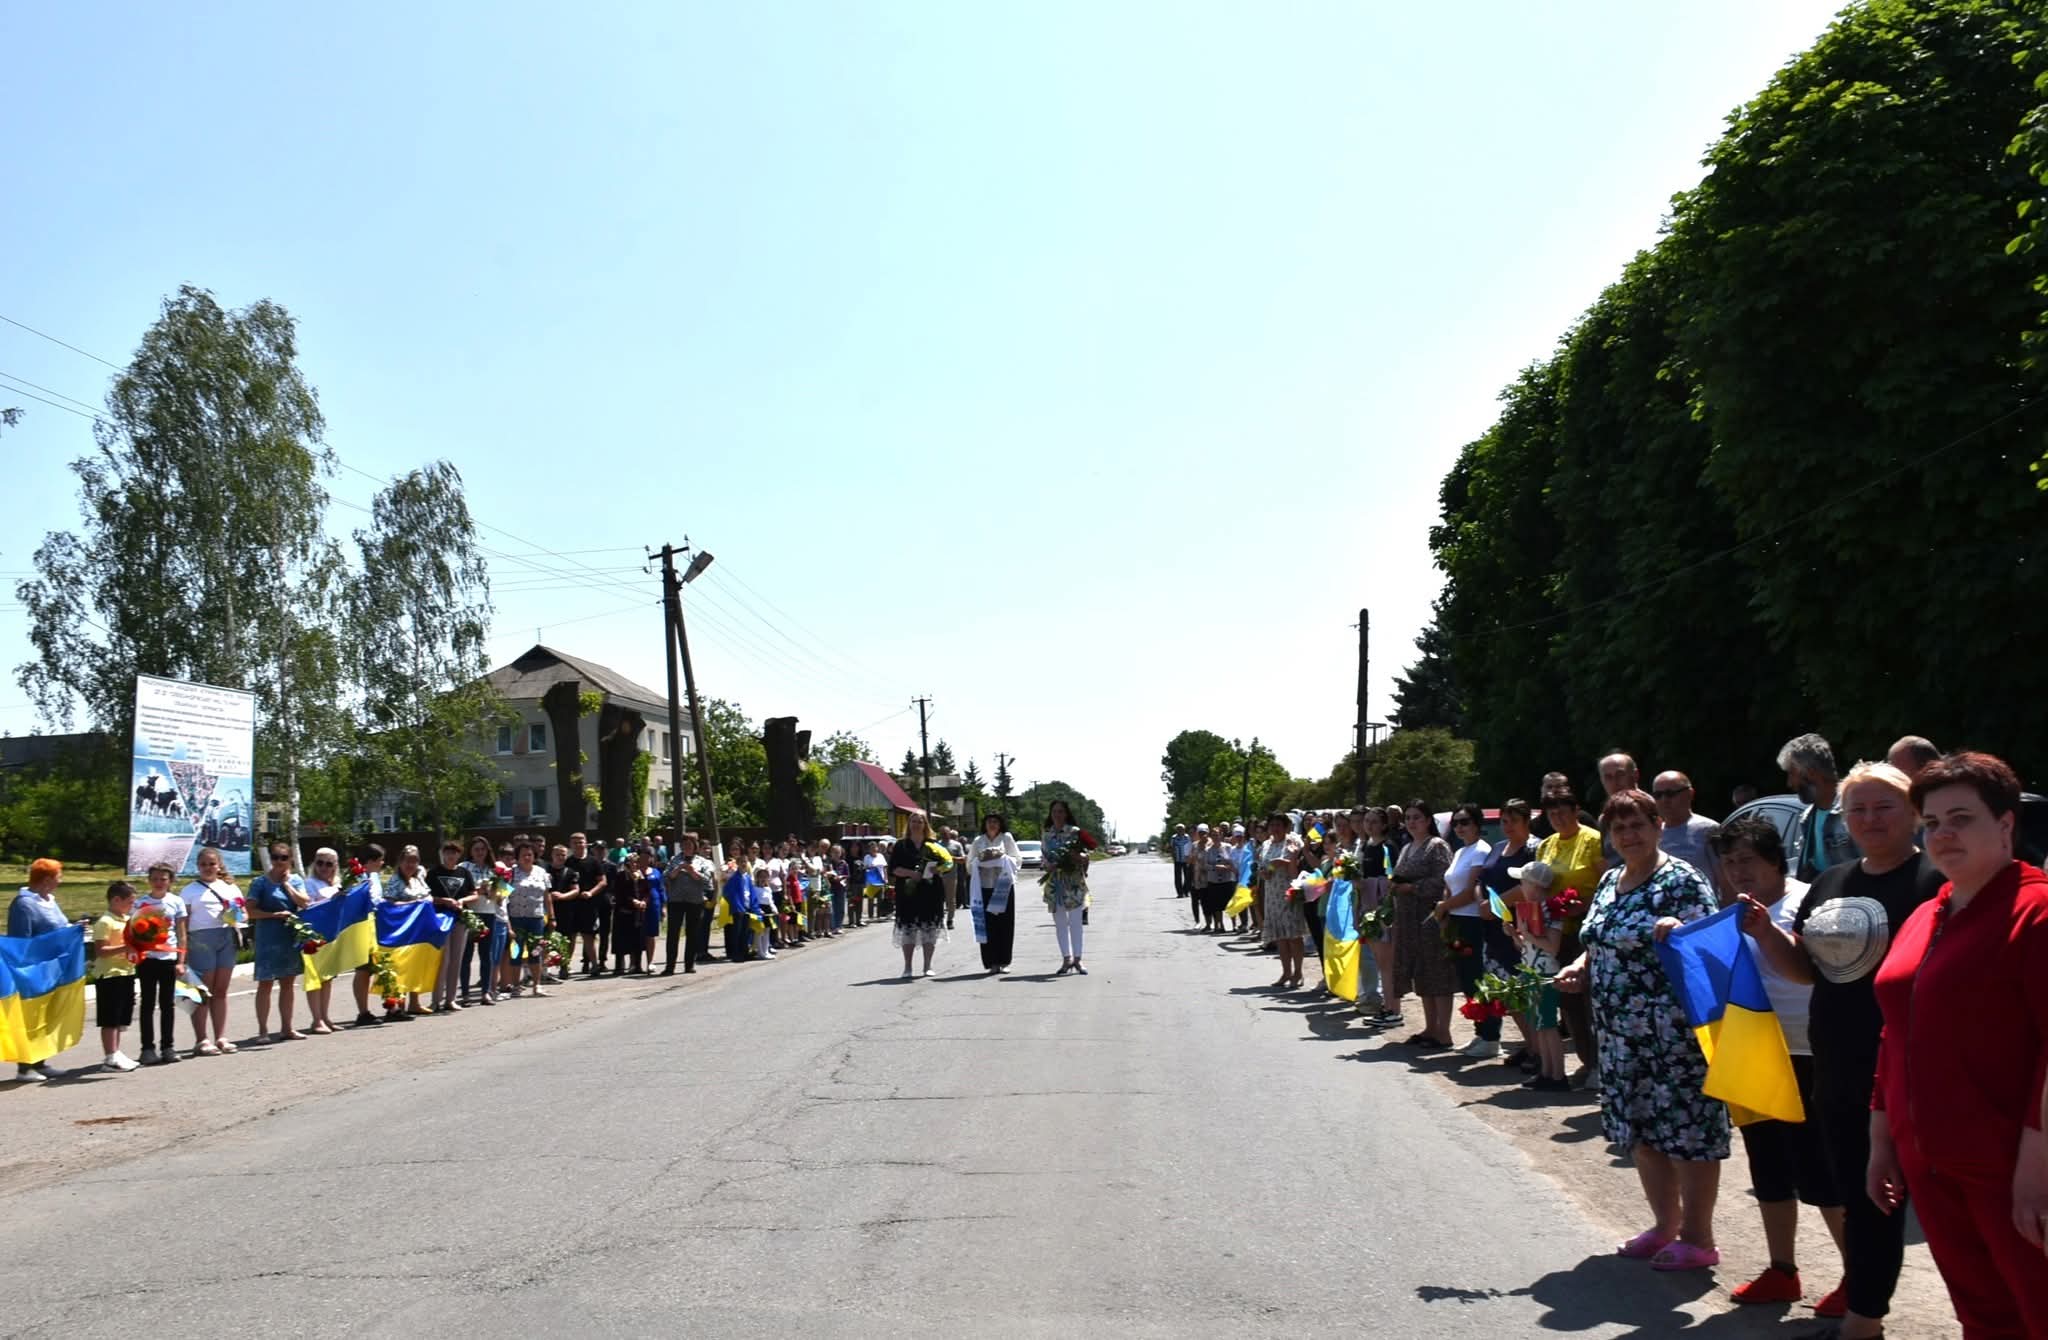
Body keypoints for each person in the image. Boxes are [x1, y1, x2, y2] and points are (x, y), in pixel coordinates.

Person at [1743, 760, 1940, 1340]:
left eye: (1883, 806)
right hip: (1838, 1066)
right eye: (1858, 808)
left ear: (1911, 813)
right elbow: (1808, 971)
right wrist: (1766, 934)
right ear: (1844, 819)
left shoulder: (1934, 881)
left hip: (1909, 1071)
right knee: (1862, 1197)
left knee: (1935, 1203)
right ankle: (1864, 1317)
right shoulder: (1832, 882)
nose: (1870, 818)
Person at [1869, 752, 2048, 1337]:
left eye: (1962, 818)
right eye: (1932, 823)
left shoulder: (2037, 911)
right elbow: (1895, 1030)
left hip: (2011, 1168)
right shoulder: (1927, 913)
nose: (1944, 834)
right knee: (1982, 1316)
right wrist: (1883, 1141)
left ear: (2005, 824)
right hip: (1930, 1164)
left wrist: (2035, 1169)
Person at [1558, 787, 1727, 1272]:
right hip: (1617, 1031)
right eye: (1620, 827)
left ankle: (1699, 1238)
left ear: (1658, 827)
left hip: (1671, 1033)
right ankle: (1663, 1226)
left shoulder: (1681, 879)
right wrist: (1579, 965)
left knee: (1687, 1132)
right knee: (1642, 1131)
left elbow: (1708, 943)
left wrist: (1678, 928)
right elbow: (1599, 939)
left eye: (1638, 824)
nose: (1629, 834)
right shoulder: (1611, 880)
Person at [1715, 815, 1847, 1317]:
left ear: (1774, 859)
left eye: (1747, 860)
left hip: (1809, 1052)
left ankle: (1858, 1277)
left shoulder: (1806, 901)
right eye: (1729, 863)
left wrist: (1768, 931)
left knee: (1822, 1172)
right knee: (1767, 1166)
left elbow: (1814, 976)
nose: (1738, 872)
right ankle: (1782, 1271)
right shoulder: (1731, 911)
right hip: (1754, 1049)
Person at [1537, 787, 1606, 1089]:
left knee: (1589, 999)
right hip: (1555, 933)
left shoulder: (1592, 840)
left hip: (1585, 930)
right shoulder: (1546, 846)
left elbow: (1607, 884)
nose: (1558, 818)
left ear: (1575, 810)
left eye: (1563, 811)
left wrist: (1586, 905)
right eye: (1552, 814)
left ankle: (1600, 1065)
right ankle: (1585, 1060)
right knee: (1567, 1002)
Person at [1389, 801, 1456, 1048]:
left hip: (1431, 918)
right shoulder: (1407, 847)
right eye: (1408, 818)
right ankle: (1430, 1028)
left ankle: (1444, 1032)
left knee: (1438, 975)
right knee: (1422, 974)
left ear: (1428, 820)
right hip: (1408, 920)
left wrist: (1413, 888)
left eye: (1417, 817)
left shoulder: (1437, 846)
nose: (1411, 822)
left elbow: (1443, 881)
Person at [1474, 800, 1537, 1062]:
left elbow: (1530, 886)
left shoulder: (1534, 848)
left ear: (1526, 822)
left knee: (1524, 991)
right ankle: (1530, 1046)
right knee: (1508, 992)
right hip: (1493, 928)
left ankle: (1539, 1049)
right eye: (1504, 821)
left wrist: (1497, 905)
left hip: (1519, 928)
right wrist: (1482, 904)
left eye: (1513, 821)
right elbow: (1481, 881)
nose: (1507, 826)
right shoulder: (1499, 847)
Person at [1502, 858, 1568, 1090]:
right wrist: (1514, 935)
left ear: (1536, 885)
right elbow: (1526, 947)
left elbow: (1552, 947)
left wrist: (1527, 935)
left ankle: (1557, 1075)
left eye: (1524, 882)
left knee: (1548, 1026)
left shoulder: (1553, 911)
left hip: (1545, 974)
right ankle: (1546, 1072)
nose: (1521, 886)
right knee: (1538, 1024)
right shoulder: (1530, 910)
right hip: (1531, 971)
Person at [1438, 803, 1498, 1057]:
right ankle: (1480, 1032)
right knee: (1466, 980)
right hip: (1457, 921)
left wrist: (1443, 907)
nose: (1460, 827)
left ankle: (1491, 1037)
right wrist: (1445, 908)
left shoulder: (1481, 851)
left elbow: (1471, 892)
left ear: (1477, 824)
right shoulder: (1461, 851)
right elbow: (1451, 884)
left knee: (1478, 979)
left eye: (1465, 822)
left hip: (1473, 921)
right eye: (1457, 823)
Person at [181, 846, 243, 1056]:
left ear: (219, 865)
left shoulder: (230, 888)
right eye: (204, 864)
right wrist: (182, 950)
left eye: (212, 864)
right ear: (198, 866)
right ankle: (202, 1039)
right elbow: (183, 922)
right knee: (202, 991)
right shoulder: (189, 891)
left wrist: (232, 914)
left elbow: (242, 915)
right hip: (200, 940)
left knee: (221, 990)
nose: (208, 868)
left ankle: (221, 1037)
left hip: (225, 937)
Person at [247, 841, 309, 1042]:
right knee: (265, 984)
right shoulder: (260, 883)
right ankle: (262, 1031)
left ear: (290, 859)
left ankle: (287, 1028)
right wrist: (273, 915)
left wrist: (287, 885)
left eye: (284, 858)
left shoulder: (296, 880)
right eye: (275, 857)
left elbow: (304, 902)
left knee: (288, 983)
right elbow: (250, 911)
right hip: (267, 937)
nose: (279, 862)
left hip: (288, 937)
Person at [1779, 732, 1858, 881]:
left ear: (1811, 773)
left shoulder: (1854, 809)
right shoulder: (1807, 818)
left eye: (1791, 774)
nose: (1789, 783)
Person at [131, 862, 186, 1066]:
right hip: (147, 959)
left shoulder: (176, 902)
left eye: (163, 879)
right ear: (149, 880)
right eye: (154, 879)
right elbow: (134, 931)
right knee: (147, 1004)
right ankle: (147, 1048)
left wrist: (181, 960)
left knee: (167, 1005)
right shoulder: (141, 903)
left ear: (170, 881)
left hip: (168, 959)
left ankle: (168, 1047)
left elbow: (181, 933)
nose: (158, 883)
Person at [88, 882, 140, 1072]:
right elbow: (101, 951)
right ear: (116, 900)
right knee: (110, 1017)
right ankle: (110, 1056)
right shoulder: (105, 922)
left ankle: (117, 1052)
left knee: (121, 1016)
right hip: (109, 974)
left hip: (126, 971)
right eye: (129, 902)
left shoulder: (126, 919)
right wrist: (125, 947)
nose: (132, 906)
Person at [889, 814, 947, 977]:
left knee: (929, 928)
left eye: (920, 822)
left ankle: (927, 965)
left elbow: (947, 864)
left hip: (931, 892)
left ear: (925, 825)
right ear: (909, 824)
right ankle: (907, 967)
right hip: (907, 893)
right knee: (909, 929)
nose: (916, 824)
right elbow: (893, 869)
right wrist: (910, 874)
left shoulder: (934, 845)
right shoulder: (901, 845)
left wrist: (938, 869)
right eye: (913, 821)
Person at [1354, 808, 1398, 1023]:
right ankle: (1387, 1006)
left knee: (1386, 961)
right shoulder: (1364, 846)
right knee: (1379, 960)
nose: (1369, 825)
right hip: (1367, 905)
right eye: (1367, 821)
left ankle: (1391, 1008)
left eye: (1374, 821)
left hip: (1382, 906)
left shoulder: (1387, 847)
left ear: (1383, 824)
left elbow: (1392, 876)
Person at [426, 840, 478, 1013]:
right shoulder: (433, 873)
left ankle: (451, 999)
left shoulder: (464, 873)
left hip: (459, 920)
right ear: (443, 854)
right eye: (448, 852)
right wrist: (443, 901)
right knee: (443, 960)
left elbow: (474, 894)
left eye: (454, 853)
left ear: (459, 855)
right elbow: (426, 897)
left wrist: (462, 901)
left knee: (456, 960)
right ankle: (436, 1000)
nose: (451, 856)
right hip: (440, 920)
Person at [1256, 813, 1307, 988]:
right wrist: (1266, 870)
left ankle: (1298, 972)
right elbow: (1264, 867)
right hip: (1272, 895)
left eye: (1279, 825)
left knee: (1293, 935)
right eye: (1272, 825)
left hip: (1289, 893)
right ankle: (1286, 972)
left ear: (1286, 827)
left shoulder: (1293, 842)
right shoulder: (1266, 844)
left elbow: (1297, 870)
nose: (1275, 829)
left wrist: (1283, 863)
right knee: (1280, 936)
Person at [1042, 800, 1091, 975]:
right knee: (1060, 922)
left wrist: (1078, 857)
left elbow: (1086, 854)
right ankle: (1066, 958)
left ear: (1066, 813)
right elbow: (1044, 856)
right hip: (1055, 883)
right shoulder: (1047, 834)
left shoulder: (1074, 832)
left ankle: (1078, 959)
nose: (1057, 814)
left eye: (1061, 811)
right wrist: (1047, 864)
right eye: (1054, 811)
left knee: (1076, 921)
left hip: (1074, 882)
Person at [969, 813, 1022, 973]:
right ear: (984, 824)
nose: (992, 824)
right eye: (989, 822)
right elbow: (970, 862)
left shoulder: (1006, 838)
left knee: (1004, 925)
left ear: (1000, 824)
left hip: (1003, 886)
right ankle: (991, 962)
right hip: (984, 886)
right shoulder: (978, 841)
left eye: (995, 822)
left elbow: (1017, 860)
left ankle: (1004, 961)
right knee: (988, 925)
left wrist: (1002, 858)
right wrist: (981, 861)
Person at [1652, 772, 1721, 894]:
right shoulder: (1652, 835)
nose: (1664, 800)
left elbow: (1726, 879)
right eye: (1658, 795)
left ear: (1690, 794)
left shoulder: (1709, 829)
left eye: (1670, 794)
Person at [299, 848, 342, 1032]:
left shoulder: (338, 885)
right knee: (315, 978)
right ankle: (316, 1020)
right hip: (314, 937)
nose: (324, 867)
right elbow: (307, 906)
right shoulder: (309, 883)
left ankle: (325, 1016)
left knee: (327, 978)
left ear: (335, 866)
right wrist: (331, 901)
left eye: (329, 863)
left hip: (332, 936)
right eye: (320, 862)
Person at [348, 843, 391, 1027]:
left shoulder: (374, 876)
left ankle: (391, 1005)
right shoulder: (356, 877)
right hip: (361, 925)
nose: (382, 864)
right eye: (380, 860)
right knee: (363, 969)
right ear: (372, 861)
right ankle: (362, 1011)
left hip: (374, 923)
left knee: (376, 967)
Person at [459, 836, 505, 1006]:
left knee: (487, 954)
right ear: (470, 851)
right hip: (470, 913)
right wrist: (478, 890)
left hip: (489, 912)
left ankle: (486, 992)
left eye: (483, 849)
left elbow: (502, 897)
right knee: (466, 955)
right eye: (476, 849)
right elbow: (460, 892)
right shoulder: (464, 867)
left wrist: (494, 892)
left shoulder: (494, 869)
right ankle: (465, 993)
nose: (480, 852)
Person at [505, 839, 553, 998]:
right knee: (515, 953)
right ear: (517, 857)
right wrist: (507, 922)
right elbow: (502, 897)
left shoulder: (541, 872)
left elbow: (547, 896)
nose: (527, 857)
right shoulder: (510, 873)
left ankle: (537, 985)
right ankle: (516, 986)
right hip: (516, 918)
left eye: (530, 854)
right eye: (523, 855)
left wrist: (552, 917)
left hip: (536, 918)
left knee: (535, 952)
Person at [663, 834, 717, 974]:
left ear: (694, 846)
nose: (686, 847)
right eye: (684, 844)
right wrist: (678, 869)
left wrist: (692, 872)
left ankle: (689, 965)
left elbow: (708, 882)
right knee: (673, 933)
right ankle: (670, 966)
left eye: (689, 844)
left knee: (692, 933)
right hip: (676, 901)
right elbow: (666, 876)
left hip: (695, 901)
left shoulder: (702, 861)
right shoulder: (674, 859)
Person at [563, 832, 608, 977]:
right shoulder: (567, 862)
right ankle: (565, 966)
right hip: (571, 905)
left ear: (586, 843)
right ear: (571, 845)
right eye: (575, 842)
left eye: (581, 841)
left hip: (588, 905)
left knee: (589, 936)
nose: (578, 844)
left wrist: (591, 893)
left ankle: (594, 966)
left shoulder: (594, 861)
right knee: (570, 937)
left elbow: (602, 881)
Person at [612, 847, 651, 975]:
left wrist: (644, 901)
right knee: (621, 939)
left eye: (636, 862)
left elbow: (646, 891)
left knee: (638, 939)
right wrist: (632, 901)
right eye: (632, 863)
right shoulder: (621, 876)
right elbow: (619, 893)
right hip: (623, 911)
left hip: (638, 912)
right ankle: (619, 966)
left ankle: (637, 965)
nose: (634, 865)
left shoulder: (641, 876)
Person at [1170, 824, 1192, 901]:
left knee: (1188, 877)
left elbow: (1190, 847)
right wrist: (1173, 857)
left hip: (1186, 860)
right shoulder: (1173, 838)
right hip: (1178, 860)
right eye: (1178, 829)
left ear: (1184, 829)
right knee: (1178, 877)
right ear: (1176, 830)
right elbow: (1172, 848)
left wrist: (1190, 857)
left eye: (1182, 829)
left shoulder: (1188, 837)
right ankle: (1180, 893)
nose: (1180, 830)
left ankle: (1186, 891)